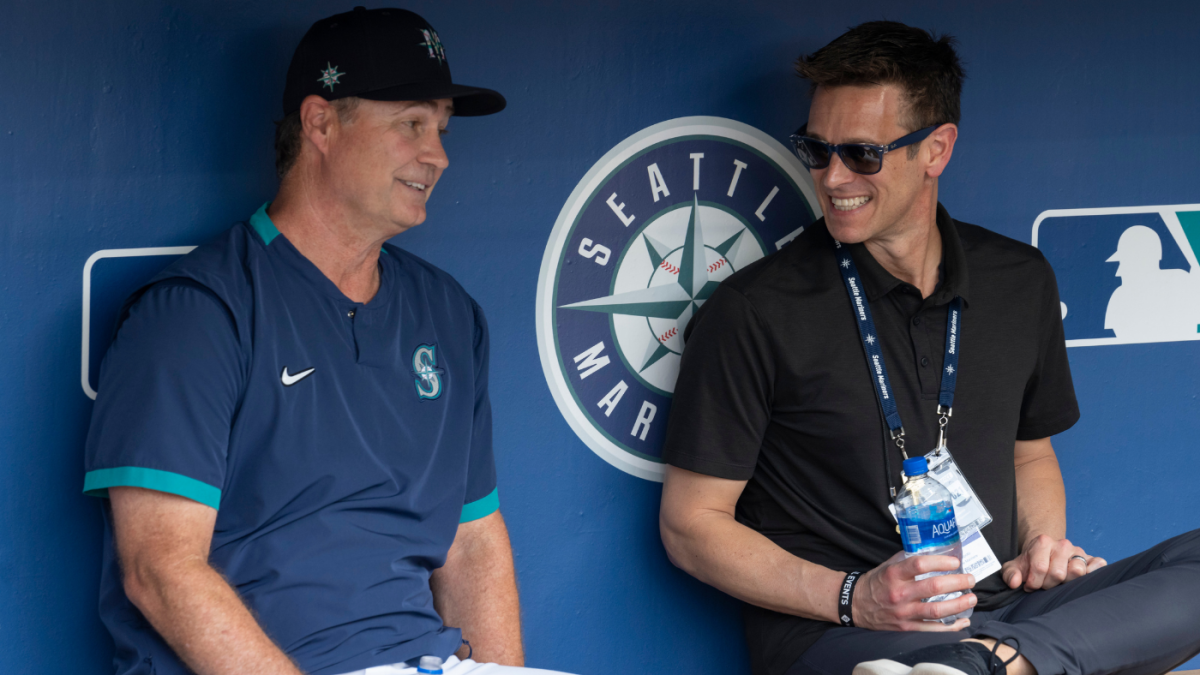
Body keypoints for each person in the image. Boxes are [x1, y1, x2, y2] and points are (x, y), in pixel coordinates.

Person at [658, 20, 1200, 675]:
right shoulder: (753, 309)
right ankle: (1006, 662)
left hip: (1000, 609)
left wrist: (1041, 544)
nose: (832, 177)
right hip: (840, 633)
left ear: (936, 149)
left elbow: (1029, 453)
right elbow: (691, 523)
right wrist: (854, 596)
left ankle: (993, 663)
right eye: (816, 149)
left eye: (861, 153)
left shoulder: (1018, 278)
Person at [82, 8, 568, 675]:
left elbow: (472, 540)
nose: (438, 154)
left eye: (442, 130)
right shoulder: (198, 312)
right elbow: (159, 569)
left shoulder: (448, 314)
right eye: (411, 125)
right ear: (319, 123)